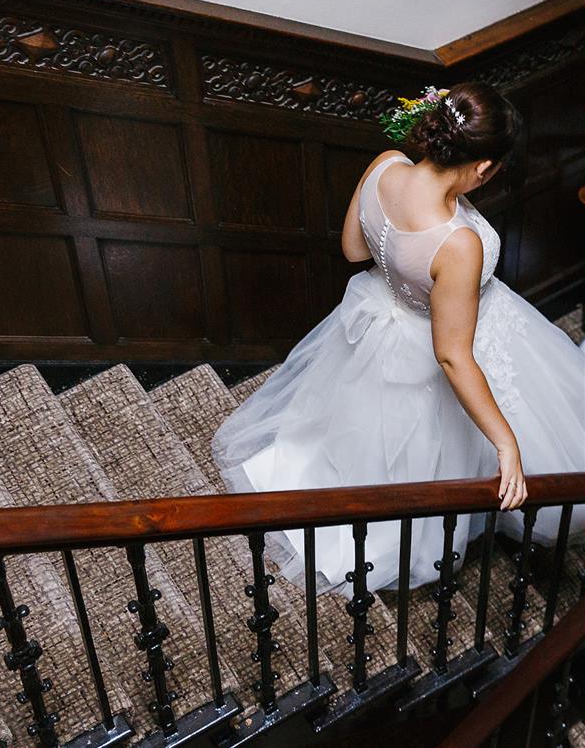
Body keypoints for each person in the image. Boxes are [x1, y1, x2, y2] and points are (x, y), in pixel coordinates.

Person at [211, 81, 585, 599]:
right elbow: (453, 355)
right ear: (481, 169)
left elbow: (352, 250)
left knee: (367, 436)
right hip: (438, 346)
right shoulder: (459, 242)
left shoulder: (385, 165)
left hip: (379, 317)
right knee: (442, 444)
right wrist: (505, 443)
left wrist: (402, 276)